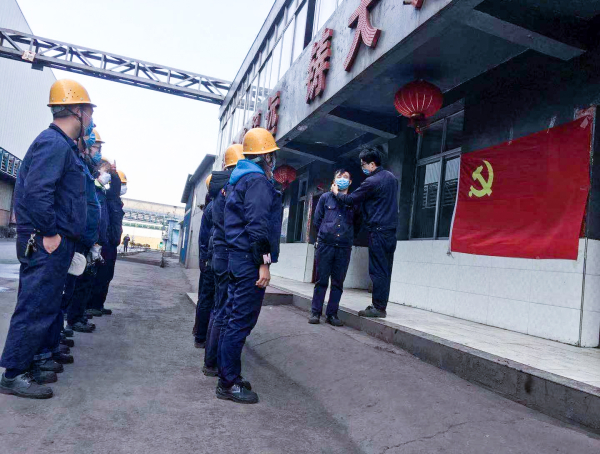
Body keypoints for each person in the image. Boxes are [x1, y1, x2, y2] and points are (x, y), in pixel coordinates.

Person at [0, 79, 94, 398]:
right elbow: (37, 193)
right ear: (76, 110)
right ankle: (14, 374)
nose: (90, 119)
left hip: (55, 240)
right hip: (46, 240)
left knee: (46, 304)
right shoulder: (53, 143)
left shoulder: (61, 145)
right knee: (35, 305)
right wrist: (50, 232)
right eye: (88, 111)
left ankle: (33, 361)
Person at [217, 128, 282, 404]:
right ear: (265, 156)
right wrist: (264, 264)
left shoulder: (240, 179)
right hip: (249, 262)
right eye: (271, 155)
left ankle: (228, 375)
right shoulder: (257, 182)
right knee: (240, 322)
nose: (273, 160)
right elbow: (258, 227)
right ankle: (228, 383)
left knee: (232, 318)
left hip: (238, 258)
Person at [331, 146, 398, 318]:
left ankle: (378, 308)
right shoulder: (391, 178)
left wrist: (336, 193)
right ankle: (380, 305)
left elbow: (351, 199)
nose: (363, 168)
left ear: (372, 164)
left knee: (377, 270)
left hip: (378, 231)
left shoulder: (372, 181)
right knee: (385, 269)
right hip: (390, 232)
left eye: (363, 164)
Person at [203, 144, 245, 377]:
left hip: (219, 252)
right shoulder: (232, 187)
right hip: (229, 253)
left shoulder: (218, 188)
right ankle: (213, 362)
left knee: (218, 307)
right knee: (225, 311)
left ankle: (210, 359)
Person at [309, 169, 361, 326]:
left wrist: (348, 236)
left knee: (338, 283)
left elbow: (358, 224)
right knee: (321, 280)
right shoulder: (325, 198)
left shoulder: (353, 201)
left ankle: (332, 315)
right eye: (339, 177)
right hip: (325, 245)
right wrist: (325, 234)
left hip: (343, 247)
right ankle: (315, 313)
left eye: (345, 177)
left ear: (350, 182)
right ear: (334, 180)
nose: (342, 179)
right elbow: (317, 220)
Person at [87, 167, 125, 316]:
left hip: (112, 243)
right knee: (98, 275)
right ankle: (91, 305)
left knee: (107, 276)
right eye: (122, 184)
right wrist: (113, 174)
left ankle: (98, 304)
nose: (123, 187)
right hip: (105, 242)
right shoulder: (105, 196)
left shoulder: (116, 200)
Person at [192, 176, 215, 348]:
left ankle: (199, 333)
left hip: (207, 259)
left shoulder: (210, 206)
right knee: (208, 299)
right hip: (211, 260)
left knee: (204, 297)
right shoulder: (215, 207)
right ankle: (201, 336)